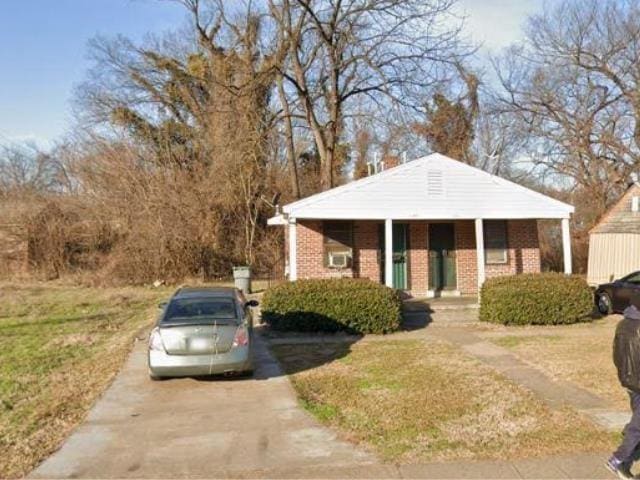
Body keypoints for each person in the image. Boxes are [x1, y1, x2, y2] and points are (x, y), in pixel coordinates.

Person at [608, 294, 640, 479]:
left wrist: (624, 374)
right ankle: (618, 459)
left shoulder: (622, 325)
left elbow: (616, 355)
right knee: (637, 425)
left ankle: (623, 461)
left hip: (629, 382)